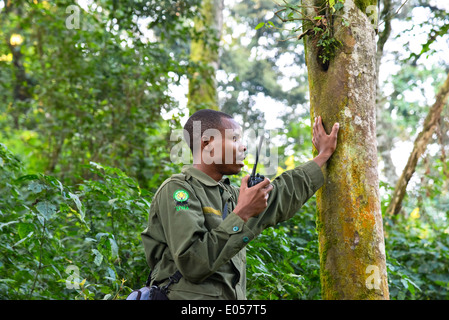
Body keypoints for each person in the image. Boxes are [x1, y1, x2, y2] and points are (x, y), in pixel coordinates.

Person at [141, 109, 339, 299]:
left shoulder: (231, 195)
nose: (243, 147)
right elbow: (193, 263)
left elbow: (280, 194)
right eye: (234, 139)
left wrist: (322, 156)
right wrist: (242, 213)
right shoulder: (178, 190)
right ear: (208, 143)